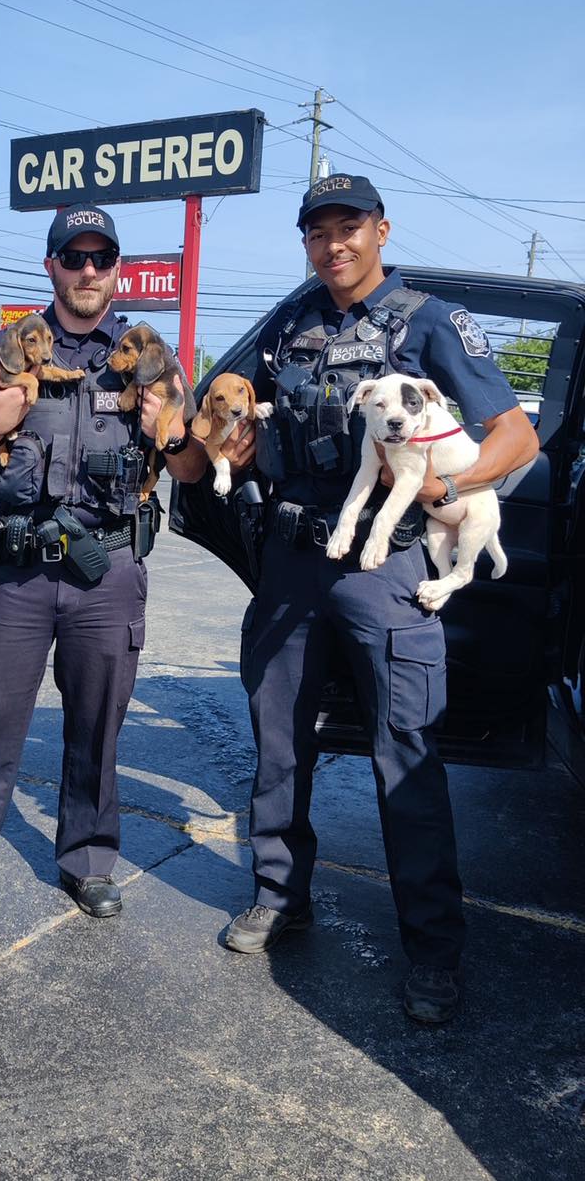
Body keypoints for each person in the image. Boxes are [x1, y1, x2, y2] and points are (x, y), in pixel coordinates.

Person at [213, 175, 538, 1023]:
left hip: (385, 569)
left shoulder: (429, 321)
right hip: (292, 557)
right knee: (279, 741)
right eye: (318, 232)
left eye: (349, 227)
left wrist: (444, 485)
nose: (334, 245)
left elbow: (517, 433)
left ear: (380, 230)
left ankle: (433, 949)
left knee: (407, 755)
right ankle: (282, 896)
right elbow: (226, 407)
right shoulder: (293, 320)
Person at [0, 205, 207, 929]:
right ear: (51, 265)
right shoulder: (10, 347)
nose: (87, 270)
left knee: (99, 725)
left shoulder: (149, 353)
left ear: (117, 268)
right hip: (20, 570)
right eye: (74, 256)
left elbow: (190, 463)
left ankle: (89, 859)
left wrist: (172, 424)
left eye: (101, 258)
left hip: (110, 570)